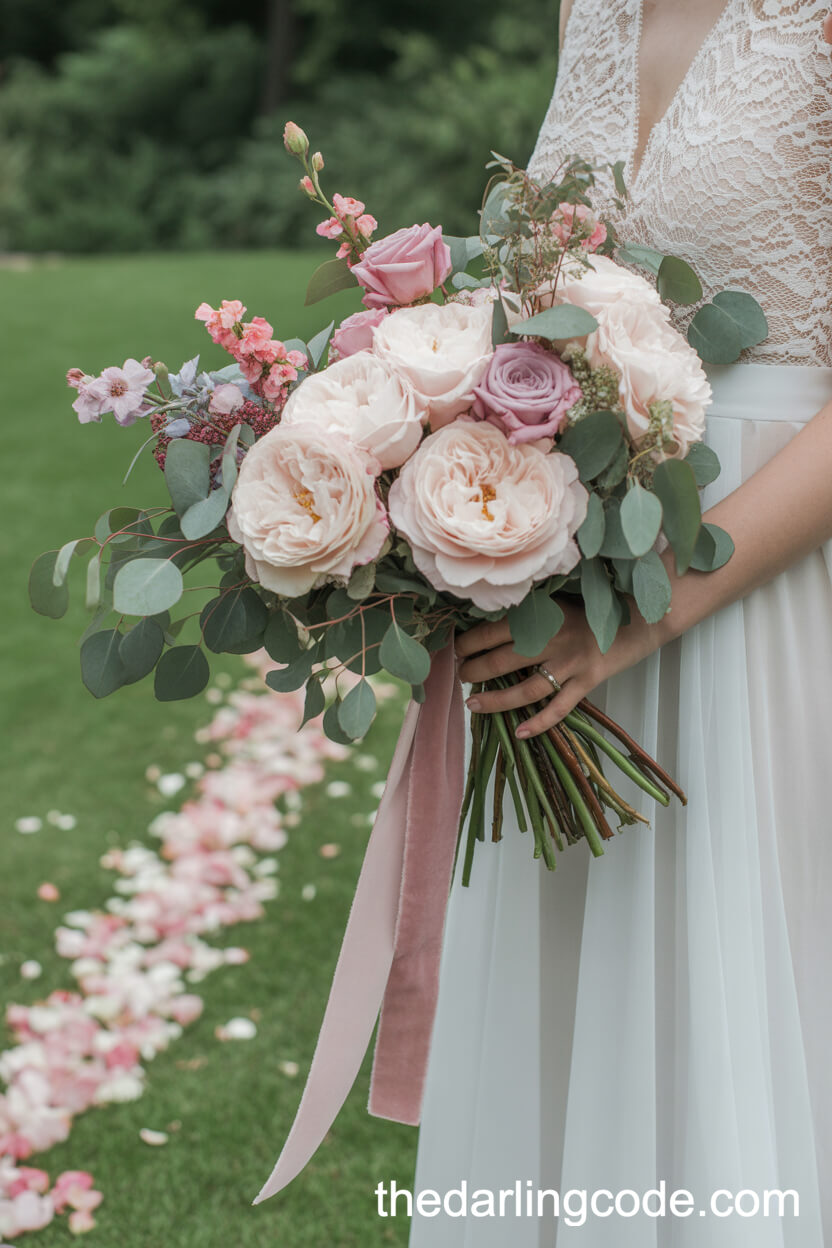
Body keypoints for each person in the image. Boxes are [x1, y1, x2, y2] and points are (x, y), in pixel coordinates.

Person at [409, 2, 832, 1244]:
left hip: (769, 601)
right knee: (578, 998)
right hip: (581, 571)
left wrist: (637, 623)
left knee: (757, 991)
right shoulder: (590, 8)